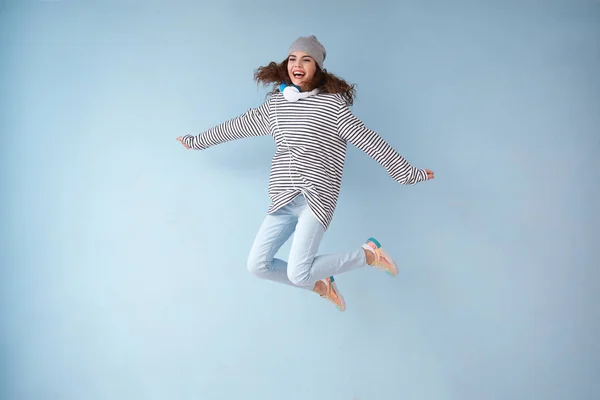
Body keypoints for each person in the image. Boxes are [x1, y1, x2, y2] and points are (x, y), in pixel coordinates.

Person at [177, 35, 434, 312]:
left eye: (306, 59)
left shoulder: (333, 107)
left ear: (317, 68)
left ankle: (368, 255)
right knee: (257, 265)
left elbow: (369, 140)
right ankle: (322, 285)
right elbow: (238, 125)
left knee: (298, 272)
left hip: (316, 196)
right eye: (293, 59)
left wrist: (408, 173)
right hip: (282, 196)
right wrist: (196, 141)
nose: (297, 65)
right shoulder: (276, 106)